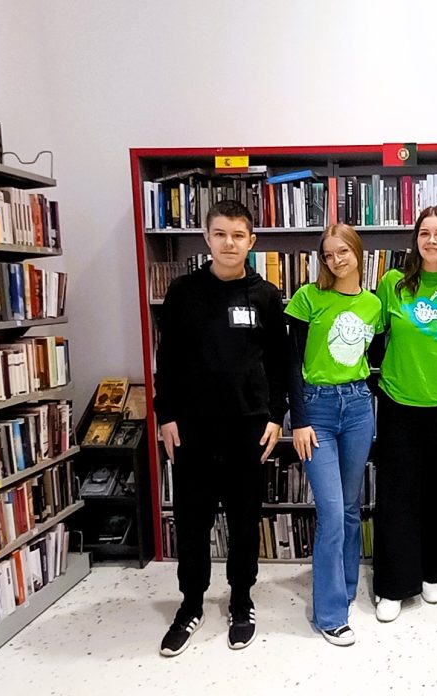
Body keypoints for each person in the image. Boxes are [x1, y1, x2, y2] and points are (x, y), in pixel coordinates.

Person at [154, 200, 288, 656]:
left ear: (252, 241)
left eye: (238, 235)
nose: (229, 243)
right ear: (206, 238)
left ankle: (241, 601)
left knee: (245, 521)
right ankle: (190, 603)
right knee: (192, 521)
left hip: (248, 429)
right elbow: (167, 359)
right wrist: (165, 415)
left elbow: (279, 363)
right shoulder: (183, 292)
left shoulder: (266, 295)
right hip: (192, 429)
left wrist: (276, 416)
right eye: (220, 234)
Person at [371, 206, 437, 622]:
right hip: (399, 404)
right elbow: (373, 338)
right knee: (397, 495)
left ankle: (435, 571)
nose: (433, 240)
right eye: (425, 233)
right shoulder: (393, 284)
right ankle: (394, 585)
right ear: (415, 240)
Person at [285, 223, 381, 646]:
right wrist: (299, 419)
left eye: (343, 251)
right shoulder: (308, 298)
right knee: (330, 510)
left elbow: (373, 355)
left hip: (358, 406)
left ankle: (345, 586)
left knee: (350, 507)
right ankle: (330, 614)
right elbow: (290, 362)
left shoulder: (374, 305)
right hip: (317, 409)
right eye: (328, 254)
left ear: (357, 252)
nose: (336, 260)